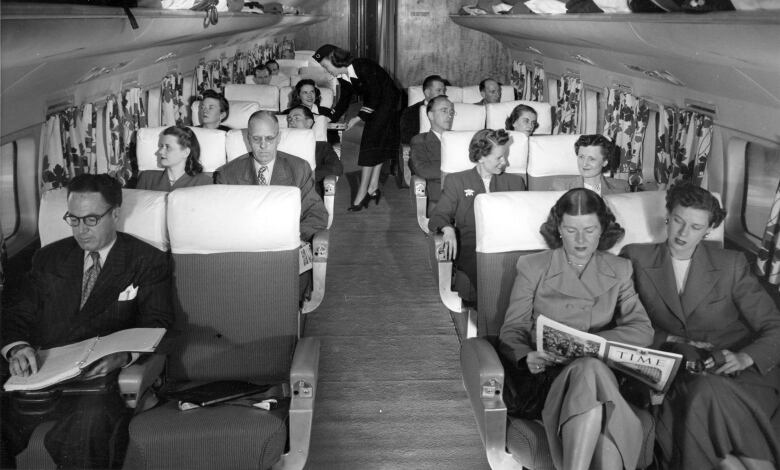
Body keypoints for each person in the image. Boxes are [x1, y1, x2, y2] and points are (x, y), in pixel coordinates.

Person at [0, 173, 174, 469]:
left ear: (115, 214)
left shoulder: (146, 260)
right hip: (40, 374)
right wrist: (17, 348)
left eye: (91, 219)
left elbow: (157, 323)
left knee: (86, 430)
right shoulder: (48, 258)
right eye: (74, 219)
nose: (81, 230)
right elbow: (18, 313)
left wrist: (122, 357)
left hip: (95, 384)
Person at [621, 182, 780, 470]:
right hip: (677, 370)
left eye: (695, 227)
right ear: (667, 217)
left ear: (708, 230)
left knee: (707, 405)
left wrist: (746, 356)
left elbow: (775, 327)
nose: (683, 233)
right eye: (679, 221)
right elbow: (621, 322)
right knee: (705, 405)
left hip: (738, 371)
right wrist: (665, 337)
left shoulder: (731, 264)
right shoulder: (635, 258)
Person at [499, 188, 653, 470]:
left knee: (590, 369)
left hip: (601, 372)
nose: (581, 240)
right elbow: (512, 329)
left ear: (602, 229)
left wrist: (592, 342)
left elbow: (642, 328)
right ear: (558, 229)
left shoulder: (620, 269)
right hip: (548, 377)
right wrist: (526, 357)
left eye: (590, 230)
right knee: (590, 376)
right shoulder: (534, 267)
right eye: (571, 230)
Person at [428, 129, 526, 304]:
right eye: (499, 158)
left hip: (508, 246)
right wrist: (448, 228)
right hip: (472, 248)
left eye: (505, 156)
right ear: (481, 157)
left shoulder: (515, 182)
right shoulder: (457, 181)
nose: (505, 162)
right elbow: (439, 215)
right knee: (490, 279)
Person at [213, 110, 327, 243]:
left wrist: (294, 239)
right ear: (248, 138)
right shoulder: (227, 174)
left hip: (287, 243)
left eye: (269, 138)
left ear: (278, 138)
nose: (263, 145)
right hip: (244, 244)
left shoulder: (299, 168)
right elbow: (222, 220)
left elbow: (316, 213)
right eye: (256, 139)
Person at [314, 44, 400, 211]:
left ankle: (361, 195)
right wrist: (327, 118)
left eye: (326, 66)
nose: (326, 70)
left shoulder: (363, 66)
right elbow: (344, 100)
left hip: (389, 102)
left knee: (370, 143)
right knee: (378, 143)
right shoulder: (343, 75)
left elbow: (375, 95)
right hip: (376, 103)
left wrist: (358, 118)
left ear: (335, 60)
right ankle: (373, 186)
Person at [286, 105, 343, 196]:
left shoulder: (321, 146)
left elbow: (336, 167)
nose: (291, 121)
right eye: (289, 119)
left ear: (309, 122)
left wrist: (307, 177)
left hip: (309, 197)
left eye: (296, 118)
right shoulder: (281, 145)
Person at [409, 95, 454, 205]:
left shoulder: (460, 138)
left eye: (451, 112)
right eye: (444, 111)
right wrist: (456, 170)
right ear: (431, 115)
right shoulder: (420, 140)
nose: (449, 115)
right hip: (440, 196)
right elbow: (423, 170)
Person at [136, 126, 213, 191]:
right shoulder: (147, 179)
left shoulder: (204, 183)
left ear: (185, 152)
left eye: (168, 147)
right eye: (161, 146)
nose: (160, 152)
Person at [550, 134, 629, 195]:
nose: (584, 163)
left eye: (592, 159)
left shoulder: (621, 187)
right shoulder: (560, 187)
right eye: (581, 157)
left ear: (605, 162)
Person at [400, 74, 447, 145]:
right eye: (439, 90)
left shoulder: (450, 109)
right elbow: (406, 139)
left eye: (444, 90)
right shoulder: (410, 112)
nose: (443, 94)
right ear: (427, 93)